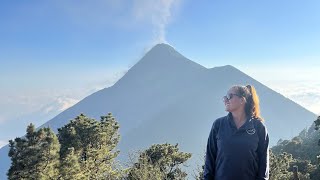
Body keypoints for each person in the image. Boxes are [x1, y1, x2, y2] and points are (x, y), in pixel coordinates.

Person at [204, 85, 269, 180]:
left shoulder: (258, 127)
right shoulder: (218, 125)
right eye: (225, 97)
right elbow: (210, 158)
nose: (225, 100)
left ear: (242, 100)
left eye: (229, 96)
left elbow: (264, 163)